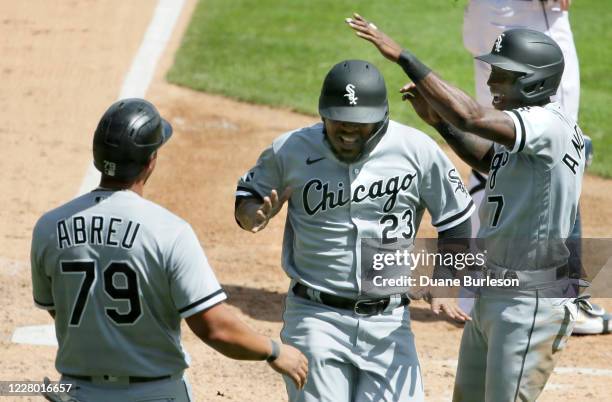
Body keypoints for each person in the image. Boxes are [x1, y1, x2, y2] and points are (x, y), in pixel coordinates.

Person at [346, 13, 586, 401]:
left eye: (503, 75)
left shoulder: (547, 125)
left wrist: (403, 56)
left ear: (533, 80)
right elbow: (491, 161)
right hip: (497, 292)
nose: (491, 82)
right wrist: (440, 124)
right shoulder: (532, 134)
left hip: (530, 303)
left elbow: (470, 116)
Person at [31, 98, 308, 402]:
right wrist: (274, 351)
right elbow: (214, 328)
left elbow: (58, 307)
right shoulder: (169, 231)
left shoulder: (49, 227)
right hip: (154, 393)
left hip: (77, 393)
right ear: (151, 161)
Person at [234, 59, 475, 401]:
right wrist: (252, 216)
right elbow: (248, 198)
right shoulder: (291, 149)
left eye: (359, 124)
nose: (347, 131)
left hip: (390, 322)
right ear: (323, 115)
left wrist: (447, 278)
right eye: (338, 121)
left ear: (381, 119)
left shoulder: (416, 150)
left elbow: (456, 217)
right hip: (316, 319)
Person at [462, 0, 605, 334]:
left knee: (498, 145)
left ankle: (474, 288)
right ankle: (566, 297)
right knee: (565, 148)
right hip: (528, 16)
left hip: (486, 16)